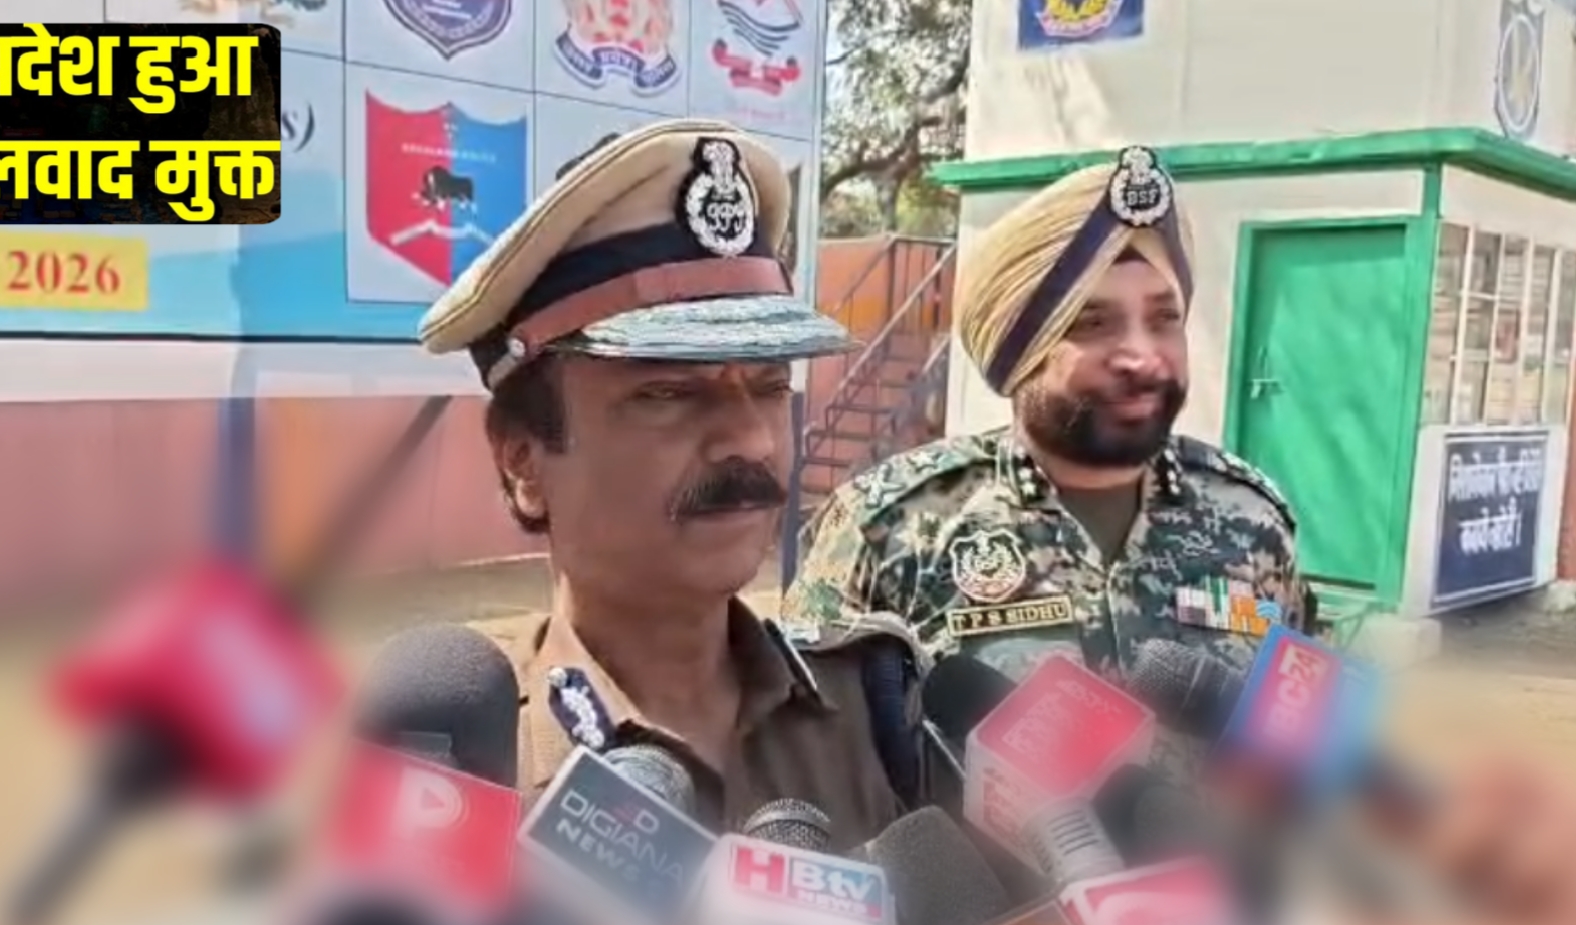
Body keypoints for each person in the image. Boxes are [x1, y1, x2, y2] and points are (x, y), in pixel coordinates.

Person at [415, 119, 929, 846]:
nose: (751, 440)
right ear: (523, 459)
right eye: (667, 394)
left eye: (770, 386)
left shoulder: (883, 709)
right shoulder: (463, 767)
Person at [783, 145, 1309, 687]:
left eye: (1163, 319)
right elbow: (808, 730)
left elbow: (1301, 719)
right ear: (1018, 353)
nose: (1142, 356)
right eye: (1092, 323)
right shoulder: (889, 525)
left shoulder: (1254, 520)